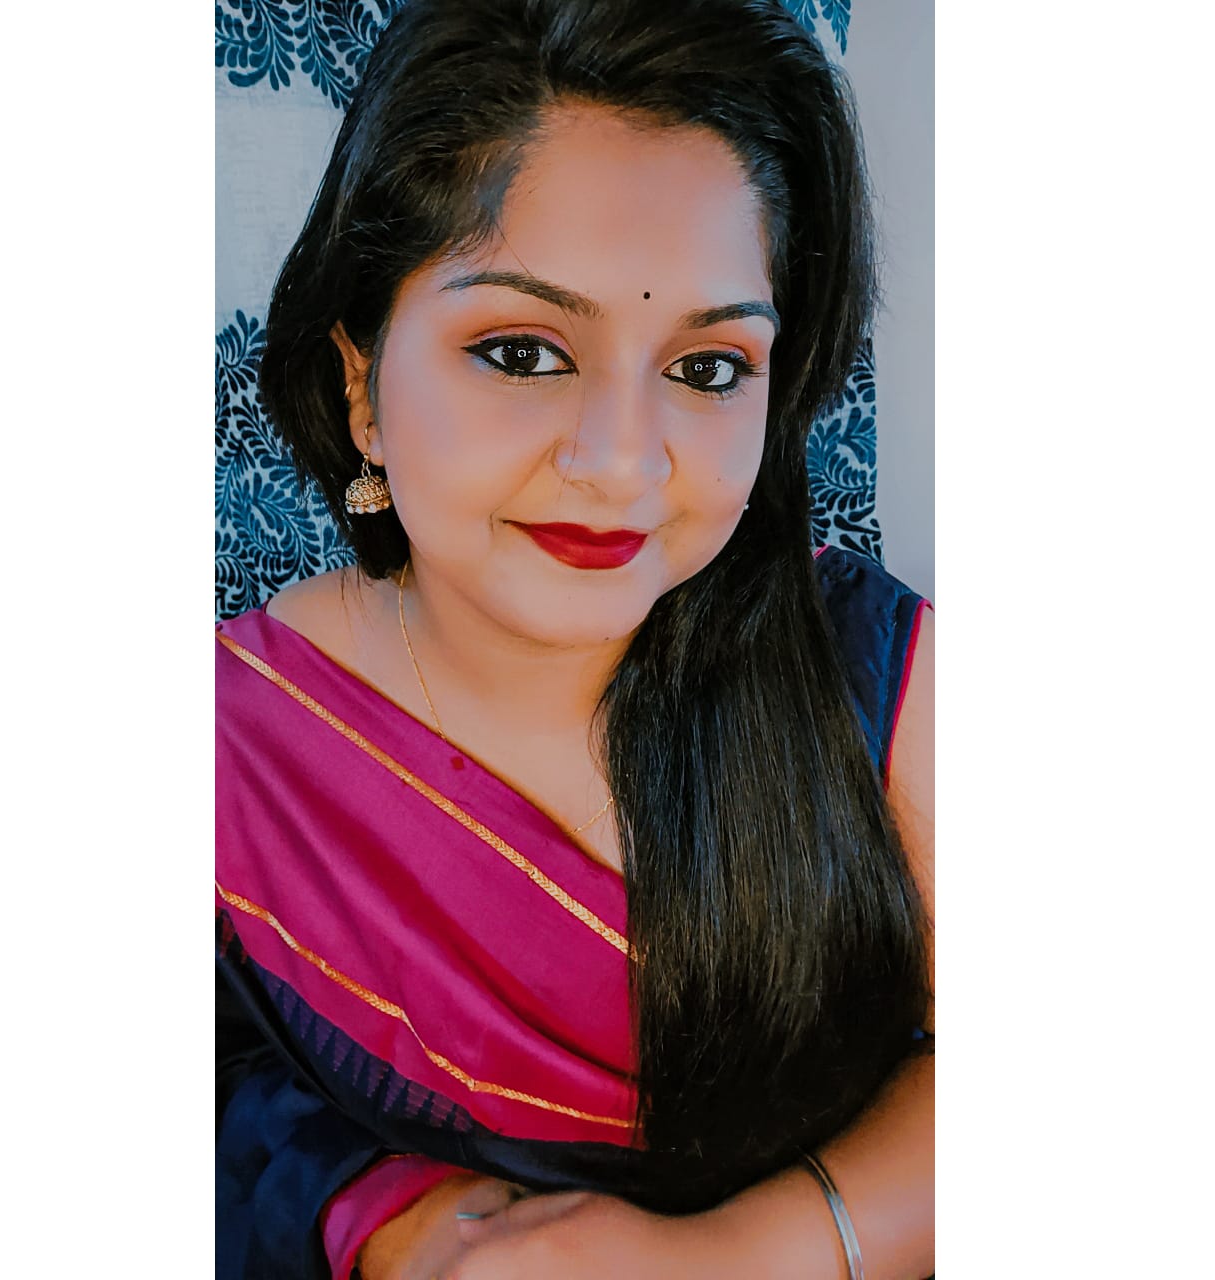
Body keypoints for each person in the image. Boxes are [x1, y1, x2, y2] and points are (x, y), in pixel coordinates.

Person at [216, 1, 935, 1277]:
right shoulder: (230, 746)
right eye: (521, 350)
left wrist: (728, 1257)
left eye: (706, 369)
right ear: (360, 383)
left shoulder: (873, 674)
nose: (620, 461)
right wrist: (396, 1215)